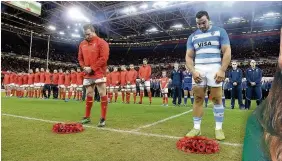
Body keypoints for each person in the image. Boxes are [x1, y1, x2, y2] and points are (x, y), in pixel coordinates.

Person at [185, 11, 231, 140]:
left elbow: (227, 51)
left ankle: (218, 128)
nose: (201, 26)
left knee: (217, 99)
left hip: (215, 69)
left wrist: (222, 70)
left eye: (203, 22)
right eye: (198, 24)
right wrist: (193, 71)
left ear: (209, 20)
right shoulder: (192, 37)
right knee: (198, 98)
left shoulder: (220, 32)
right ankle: (196, 128)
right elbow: (188, 56)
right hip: (199, 70)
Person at [242, 49, 282, 161]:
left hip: (257, 85)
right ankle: (247, 107)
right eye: (252, 63)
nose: (253, 64)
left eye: (254, 63)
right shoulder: (248, 70)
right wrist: (251, 82)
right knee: (248, 98)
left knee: (260, 99)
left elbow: (259, 77)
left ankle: (262, 112)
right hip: (250, 85)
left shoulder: (259, 70)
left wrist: (256, 82)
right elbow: (248, 78)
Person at [78, 24, 109, 127]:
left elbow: (104, 58)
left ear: (93, 31)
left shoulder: (101, 42)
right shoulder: (82, 44)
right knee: (89, 94)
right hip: (87, 73)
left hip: (99, 72)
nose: (87, 36)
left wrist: (92, 68)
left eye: (88, 34)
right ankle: (87, 117)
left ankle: (103, 119)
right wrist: (84, 67)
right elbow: (80, 58)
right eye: (85, 35)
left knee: (101, 93)